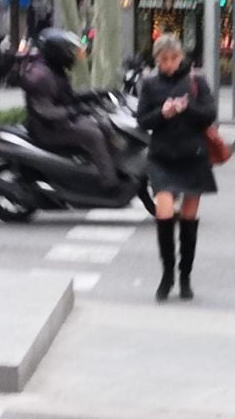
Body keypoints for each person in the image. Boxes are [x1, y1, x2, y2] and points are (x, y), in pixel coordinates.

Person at [134, 33, 216, 303]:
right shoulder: (149, 84)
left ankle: (185, 276)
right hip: (162, 157)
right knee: (164, 210)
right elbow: (143, 120)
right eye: (163, 59)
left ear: (181, 57)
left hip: (193, 155)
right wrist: (163, 113)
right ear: (156, 59)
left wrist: (186, 108)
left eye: (173, 58)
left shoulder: (196, 81)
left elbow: (209, 114)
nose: (169, 64)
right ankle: (167, 273)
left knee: (190, 218)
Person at [15, 27, 121, 190]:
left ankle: (109, 168)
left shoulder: (54, 70)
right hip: (47, 129)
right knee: (94, 135)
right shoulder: (41, 76)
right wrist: (76, 110)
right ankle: (110, 184)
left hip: (58, 123)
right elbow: (46, 111)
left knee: (104, 125)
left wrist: (95, 94)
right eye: (69, 50)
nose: (72, 55)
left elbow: (66, 96)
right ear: (57, 51)